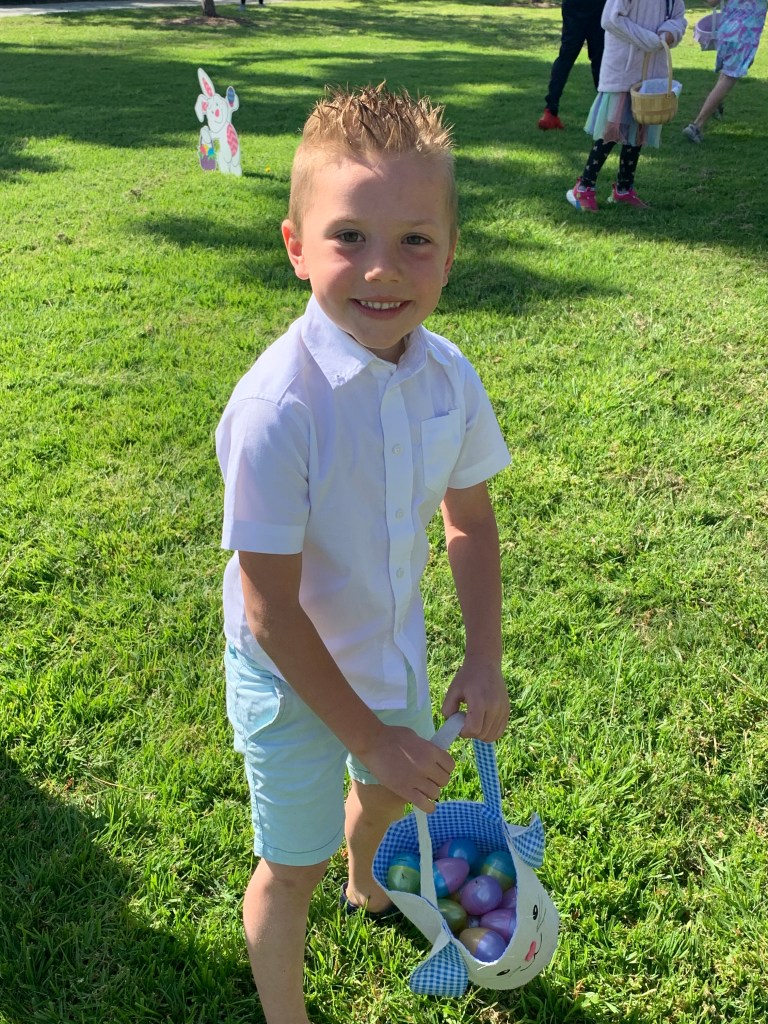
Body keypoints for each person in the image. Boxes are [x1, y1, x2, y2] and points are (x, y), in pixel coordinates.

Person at [216, 84, 512, 1024]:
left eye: (415, 239)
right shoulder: (278, 411)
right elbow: (269, 607)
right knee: (289, 866)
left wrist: (483, 656)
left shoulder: (449, 377)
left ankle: (366, 873)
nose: (382, 268)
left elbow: (469, 522)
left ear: (452, 254)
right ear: (296, 246)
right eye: (349, 236)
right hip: (287, 673)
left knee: (389, 794)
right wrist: (369, 735)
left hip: (387, 648)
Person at [566, 0, 687, 211]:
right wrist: (649, 39)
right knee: (612, 130)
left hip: (651, 70)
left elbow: (679, 17)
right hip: (623, 69)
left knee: (639, 129)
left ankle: (623, 190)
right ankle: (584, 187)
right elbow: (610, 19)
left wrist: (669, 33)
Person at [683, 0, 767, 143]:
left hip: (727, 30)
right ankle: (696, 126)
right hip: (745, 34)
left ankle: (716, 103)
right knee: (729, 78)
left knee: (733, 70)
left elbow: (712, 2)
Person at [538, 0, 608, 130]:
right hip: (597, 7)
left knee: (565, 57)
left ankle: (550, 110)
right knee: (599, 60)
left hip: (573, 6)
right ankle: (605, 112)